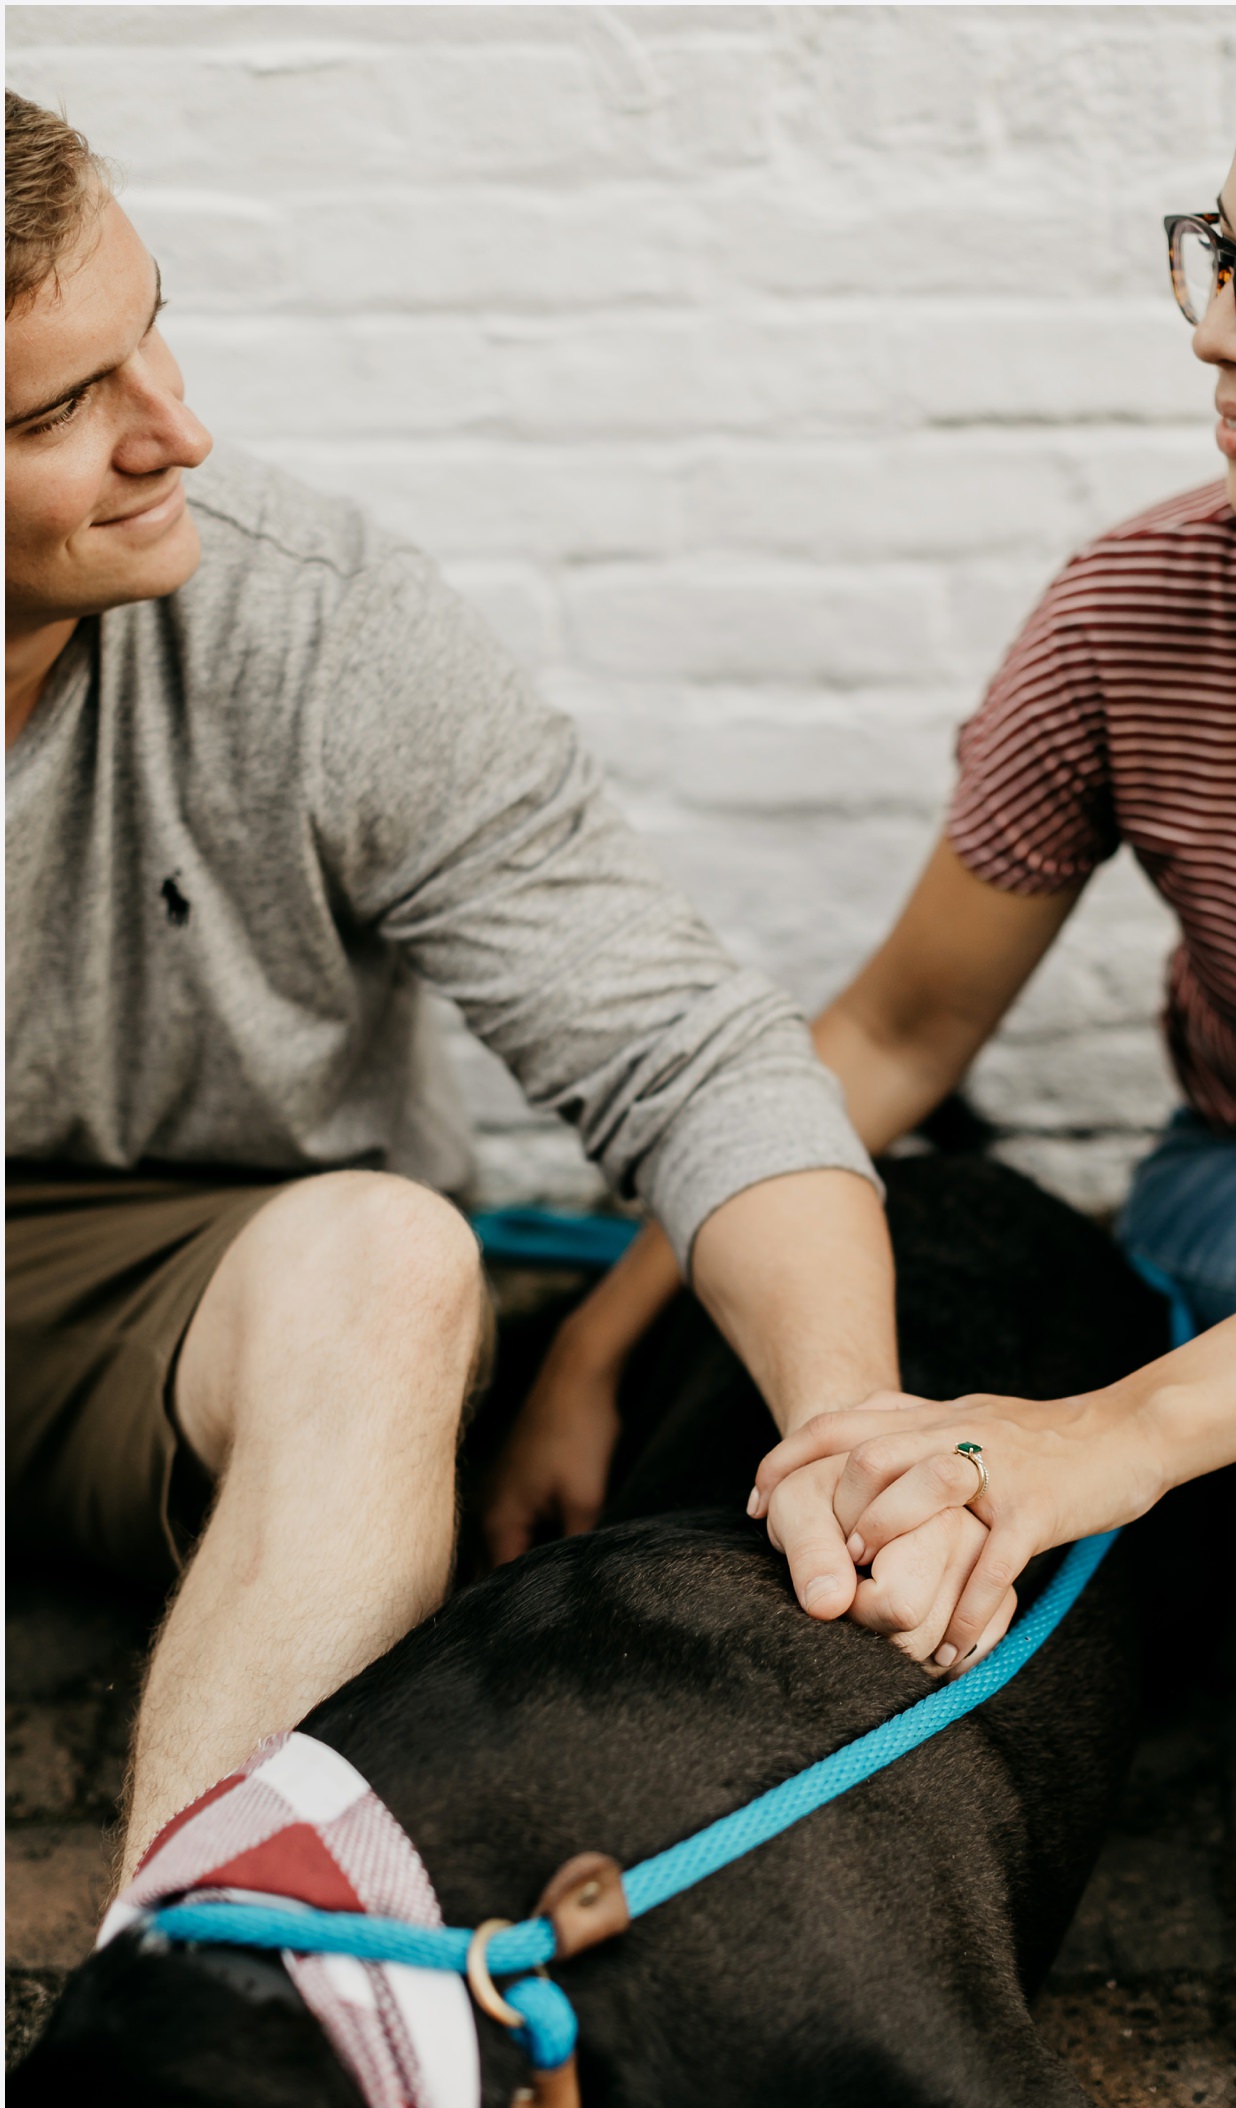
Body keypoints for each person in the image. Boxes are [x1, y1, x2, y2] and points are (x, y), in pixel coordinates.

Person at [495, 5, 1236, 1906]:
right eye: (1224, 250)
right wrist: (594, 1354)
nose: (1218, 325)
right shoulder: (1140, 619)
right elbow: (892, 1026)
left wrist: (1103, 1444)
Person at [4, 90, 904, 1882]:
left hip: (194, 1300)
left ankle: (199, 2012)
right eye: (54, 408)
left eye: (152, 327)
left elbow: (687, 1048)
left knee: (397, 1259)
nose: (176, 430)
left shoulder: (308, 618)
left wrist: (849, 1420)